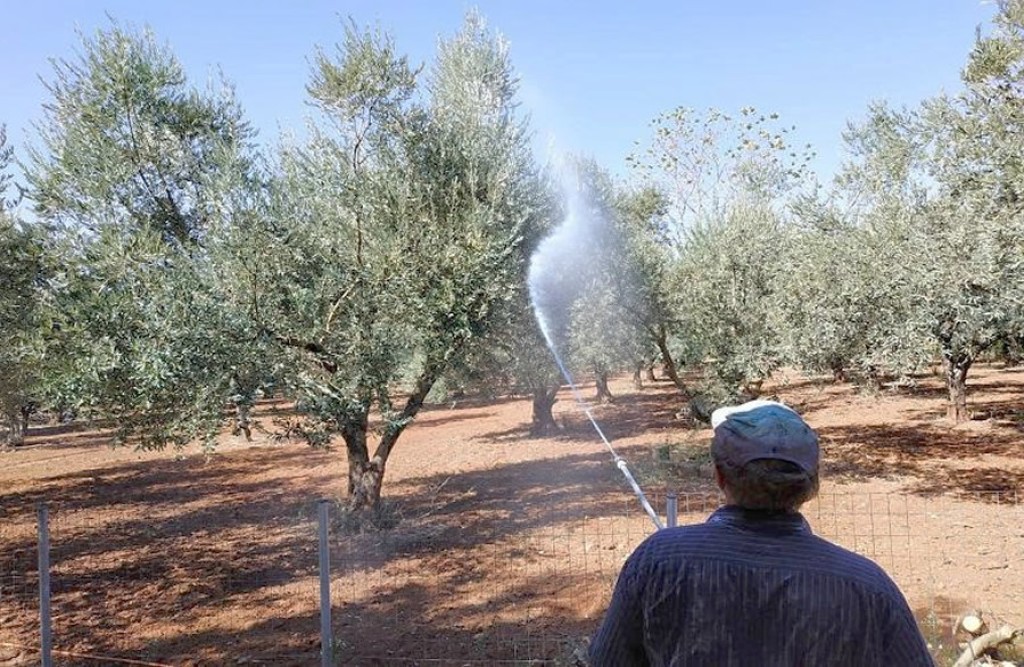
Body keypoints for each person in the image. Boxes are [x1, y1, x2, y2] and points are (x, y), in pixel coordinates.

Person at [588, 399, 935, 666]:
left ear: (720, 476)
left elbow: (609, 660)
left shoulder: (657, 560)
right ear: (812, 484)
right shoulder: (868, 587)